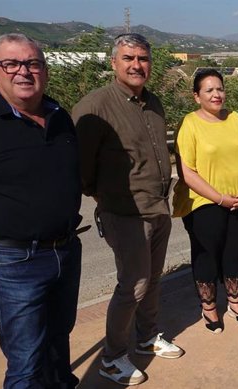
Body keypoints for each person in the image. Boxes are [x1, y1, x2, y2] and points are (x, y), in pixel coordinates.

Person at [0, 33, 82, 388]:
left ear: (45, 71)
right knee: (26, 363)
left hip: (66, 250)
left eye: (33, 63)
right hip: (15, 261)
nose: (23, 71)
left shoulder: (60, 117)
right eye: (11, 64)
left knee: (58, 344)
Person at [73, 33, 184, 386]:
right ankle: (112, 357)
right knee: (132, 285)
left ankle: (147, 336)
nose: (137, 65)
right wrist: (105, 199)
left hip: (158, 207)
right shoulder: (95, 106)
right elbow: (81, 168)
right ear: (113, 62)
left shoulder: (153, 102)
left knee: (153, 279)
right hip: (124, 213)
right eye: (129, 58)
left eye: (143, 58)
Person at [172, 69, 238, 333]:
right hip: (204, 203)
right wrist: (220, 199)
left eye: (219, 88)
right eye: (209, 90)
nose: (216, 94)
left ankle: (235, 302)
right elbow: (187, 171)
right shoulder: (189, 124)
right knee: (207, 255)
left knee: (234, 251)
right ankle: (209, 307)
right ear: (196, 96)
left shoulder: (236, 119)